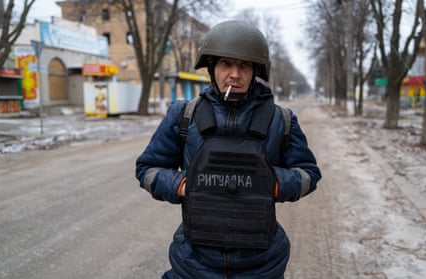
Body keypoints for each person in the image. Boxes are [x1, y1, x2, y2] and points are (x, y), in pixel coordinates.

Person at [135, 20, 321, 279]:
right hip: (193, 264)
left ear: (255, 70)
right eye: (226, 64)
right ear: (212, 67)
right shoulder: (183, 115)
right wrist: (184, 185)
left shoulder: (282, 120)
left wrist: (273, 184)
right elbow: (147, 169)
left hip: (262, 265)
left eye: (244, 65)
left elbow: (309, 174)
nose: (235, 73)